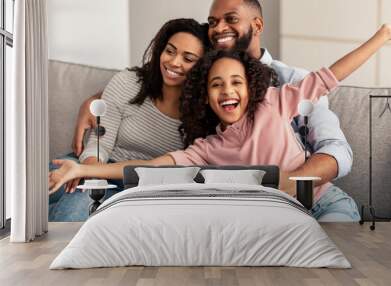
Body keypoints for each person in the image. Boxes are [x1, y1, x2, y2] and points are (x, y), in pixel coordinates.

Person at [49, 24, 391, 221]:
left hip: (325, 201)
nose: (227, 90)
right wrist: (80, 170)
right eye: (216, 85)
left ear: (252, 88)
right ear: (204, 96)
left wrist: (382, 37)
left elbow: (331, 75)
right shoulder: (207, 148)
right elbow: (152, 165)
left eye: (236, 82)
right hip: (281, 214)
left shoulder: (275, 103)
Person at [72, 0, 352, 204]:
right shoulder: (205, 104)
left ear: (257, 24)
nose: (219, 29)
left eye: (231, 19)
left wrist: (293, 181)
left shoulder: (291, 85)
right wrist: (98, 102)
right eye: (214, 22)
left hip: (308, 198)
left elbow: (336, 149)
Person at [48, 18, 209, 221]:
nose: (174, 62)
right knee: (36, 195)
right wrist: (89, 171)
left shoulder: (203, 115)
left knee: (77, 207)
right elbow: (100, 143)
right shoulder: (128, 82)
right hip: (95, 163)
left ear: (203, 67)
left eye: (188, 58)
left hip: (136, 186)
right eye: (170, 51)